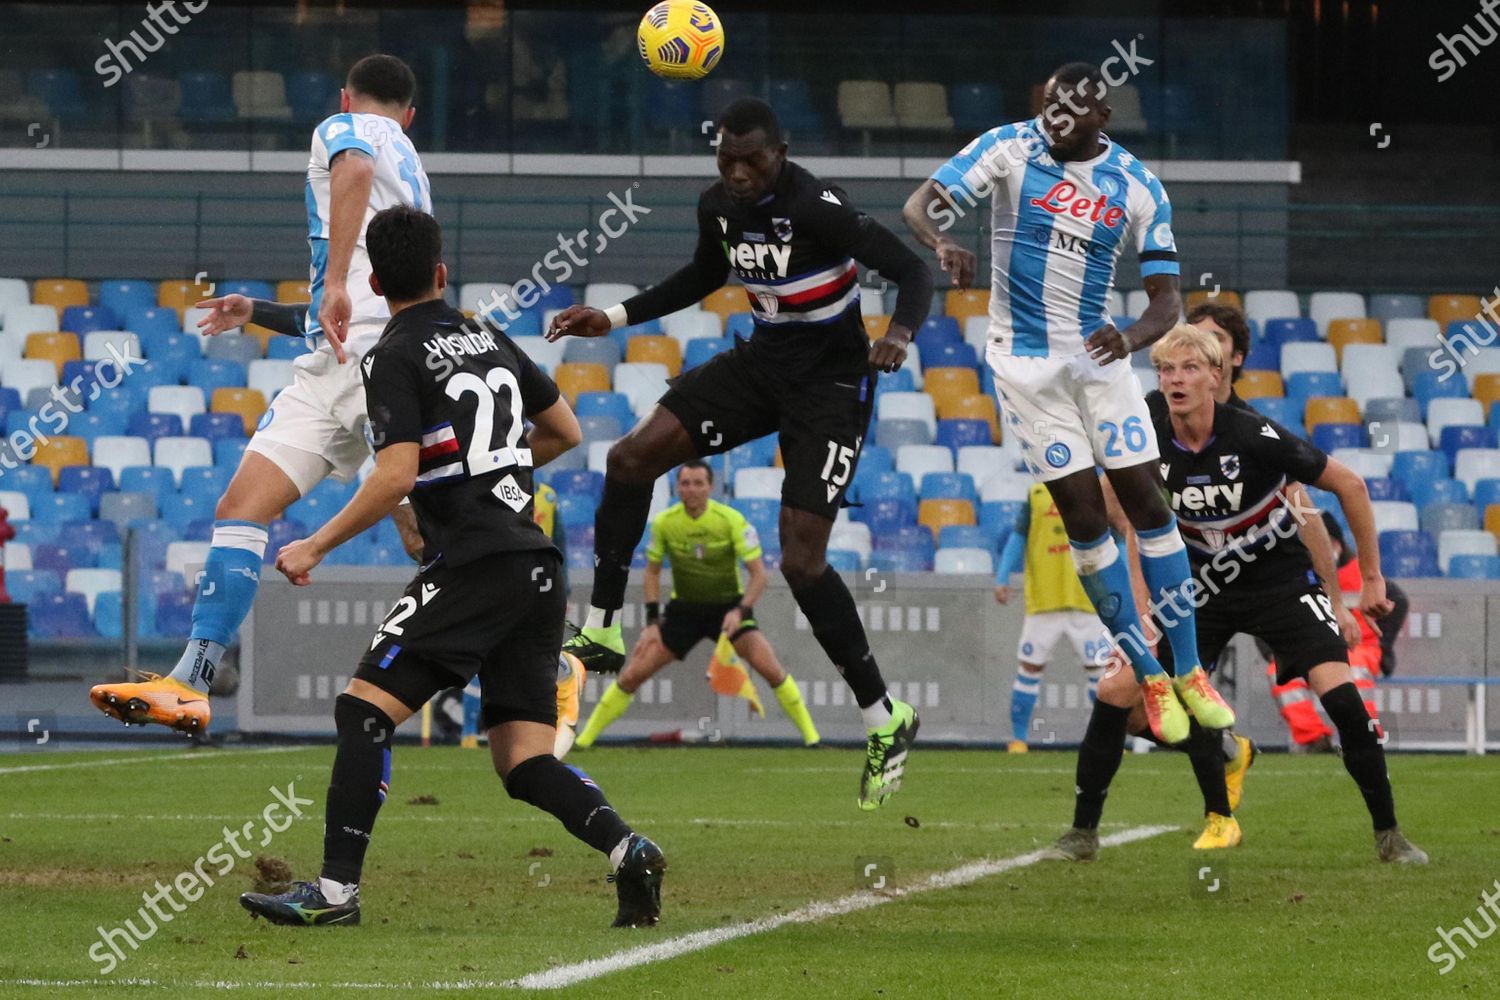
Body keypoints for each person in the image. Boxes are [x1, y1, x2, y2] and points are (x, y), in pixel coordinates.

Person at [238, 206, 665, 928]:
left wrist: (315, 545)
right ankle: (630, 849)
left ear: (375, 282)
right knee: (525, 761)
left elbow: (395, 475)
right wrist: (489, 476)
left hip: (475, 563)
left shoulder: (392, 355)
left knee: (363, 711)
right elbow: (564, 430)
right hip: (535, 564)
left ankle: (336, 893)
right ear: (442, 272)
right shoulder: (488, 336)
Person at [546, 98, 932, 810]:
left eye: (753, 160)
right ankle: (601, 629)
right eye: (728, 160)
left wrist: (899, 336)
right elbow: (702, 275)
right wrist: (614, 316)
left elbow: (912, 270)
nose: (739, 172)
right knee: (628, 460)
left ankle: (884, 717)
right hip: (761, 367)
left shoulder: (817, 207)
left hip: (831, 387)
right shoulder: (717, 206)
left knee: (803, 562)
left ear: (779, 154)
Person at [91, 54, 433, 735]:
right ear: (412, 114)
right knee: (242, 506)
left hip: (374, 356)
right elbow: (352, 290)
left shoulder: (343, 128)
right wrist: (263, 311)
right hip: (335, 359)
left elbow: (353, 175)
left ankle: (542, 653)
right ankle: (192, 680)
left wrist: (332, 284)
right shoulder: (413, 159)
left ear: (345, 98)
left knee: (422, 526)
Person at [902, 62, 1233, 746]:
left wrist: (1133, 338)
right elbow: (921, 204)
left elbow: (1167, 300)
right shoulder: (1008, 147)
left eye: (1070, 109)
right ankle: (1147, 672)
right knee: (1084, 518)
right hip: (1024, 365)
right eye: (1050, 105)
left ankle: (1191, 669)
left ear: (1101, 117)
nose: (1055, 119)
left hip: (1099, 358)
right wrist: (942, 242)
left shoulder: (1137, 185)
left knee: (1148, 505)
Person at [1042, 325, 1425, 863]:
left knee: (1342, 699)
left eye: (1189, 368)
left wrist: (1366, 582)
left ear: (1217, 374)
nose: (1175, 380)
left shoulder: (1254, 434)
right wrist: (1142, 601)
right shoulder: (1145, 432)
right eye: (1166, 370)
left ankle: (1390, 835)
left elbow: (1347, 487)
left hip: (1279, 584)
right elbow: (1124, 511)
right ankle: (1084, 834)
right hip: (1196, 587)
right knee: (1116, 696)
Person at [575, 461, 820, 749]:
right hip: (684, 612)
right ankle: (585, 740)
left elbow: (759, 576)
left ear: (710, 488)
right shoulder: (665, 523)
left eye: (698, 483)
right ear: (677, 488)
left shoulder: (730, 520)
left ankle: (812, 739)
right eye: (685, 483)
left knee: (771, 669)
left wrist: (740, 611)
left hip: (729, 610)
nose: (691, 489)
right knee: (632, 675)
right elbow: (652, 572)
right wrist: (653, 622)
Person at [1264, 512, 1408, 751]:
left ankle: (1365, 736)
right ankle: (1313, 740)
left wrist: (1382, 647)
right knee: (1278, 673)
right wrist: (1272, 652)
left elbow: (1398, 601)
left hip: (1361, 647)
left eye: (1326, 542)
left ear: (1338, 544)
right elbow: (1268, 613)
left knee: (1355, 668)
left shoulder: (1360, 573)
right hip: (1312, 648)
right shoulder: (1295, 575)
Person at [993, 482, 1111, 752]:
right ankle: (1019, 739)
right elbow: (1019, 537)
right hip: (1044, 600)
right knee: (1029, 669)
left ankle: (1106, 740)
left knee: (1101, 674)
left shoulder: (1095, 488)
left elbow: (1114, 539)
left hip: (1088, 599)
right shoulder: (1036, 492)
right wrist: (1002, 577)